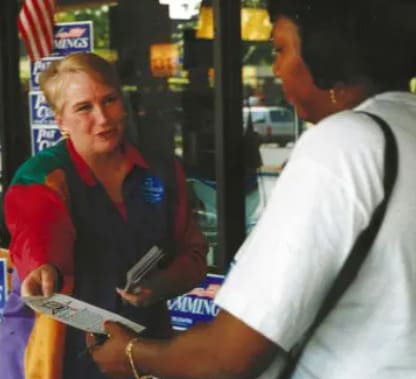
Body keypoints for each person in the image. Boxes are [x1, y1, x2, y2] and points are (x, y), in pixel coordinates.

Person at [90, 0, 416, 378]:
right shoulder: (404, 127)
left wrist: (130, 354)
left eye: (280, 49)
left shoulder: (343, 144)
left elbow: (226, 357)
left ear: (325, 51)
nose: (276, 69)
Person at [0, 52, 208, 379]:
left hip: (145, 351)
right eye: (84, 108)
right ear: (60, 121)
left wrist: (163, 284)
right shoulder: (42, 174)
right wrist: (43, 268)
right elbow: (39, 231)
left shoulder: (163, 170)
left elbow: (194, 253)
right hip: (58, 353)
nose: (102, 117)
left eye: (109, 100)